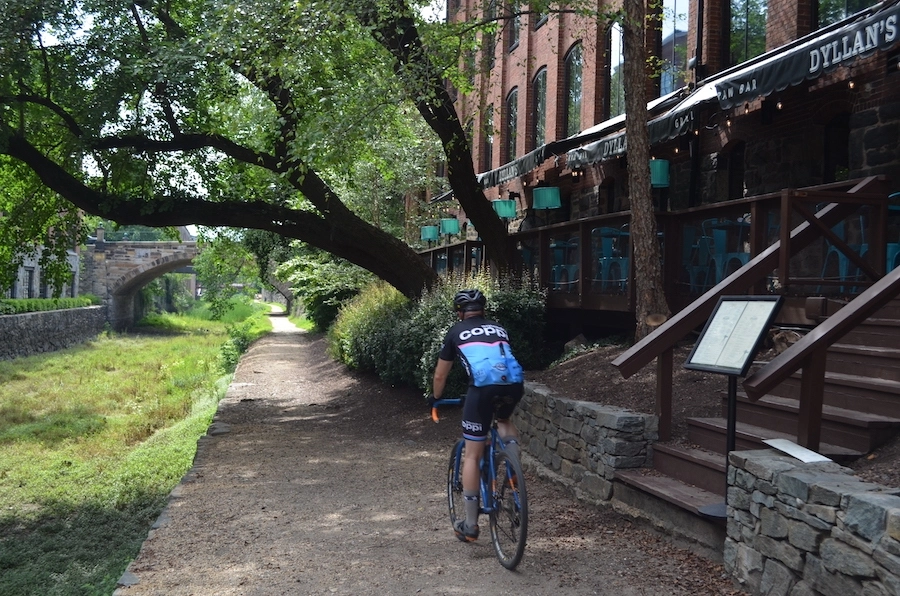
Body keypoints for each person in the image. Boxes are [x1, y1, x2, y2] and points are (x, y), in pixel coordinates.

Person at [431, 289, 524, 542]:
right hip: (513, 385)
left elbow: (440, 375)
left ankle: (471, 525)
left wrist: (435, 398)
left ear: (460, 313)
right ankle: (514, 468)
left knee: (472, 455)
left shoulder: (455, 332)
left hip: (482, 389)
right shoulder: (499, 328)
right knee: (503, 420)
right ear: (483, 310)